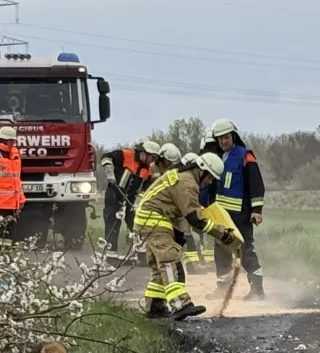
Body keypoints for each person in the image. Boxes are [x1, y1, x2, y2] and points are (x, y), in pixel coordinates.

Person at [133, 152, 238, 321]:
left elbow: (182, 211)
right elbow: (194, 218)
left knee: (160, 267)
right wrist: (221, 235)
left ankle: (155, 305)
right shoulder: (188, 183)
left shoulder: (184, 177)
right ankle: (180, 304)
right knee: (170, 262)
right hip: (154, 220)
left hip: (150, 220)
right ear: (202, 170)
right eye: (210, 177)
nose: (209, 182)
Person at [204, 119, 267, 300]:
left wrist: (257, 210)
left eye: (226, 137)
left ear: (233, 136)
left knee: (245, 250)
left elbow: (256, 183)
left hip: (241, 214)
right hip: (221, 214)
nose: (223, 141)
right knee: (220, 250)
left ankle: (257, 289)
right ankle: (222, 288)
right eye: (220, 139)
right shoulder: (216, 157)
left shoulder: (245, 156)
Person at [101, 138, 159, 252]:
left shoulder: (148, 169)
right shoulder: (126, 155)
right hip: (115, 194)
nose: (152, 161)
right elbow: (106, 157)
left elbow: (147, 188)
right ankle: (110, 252)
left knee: (136, 224)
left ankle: (141, 251)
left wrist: (141, 201)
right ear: (145, 153)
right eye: (152, 157)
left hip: (130, 199)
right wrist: (109, 171)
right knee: (113, 222)